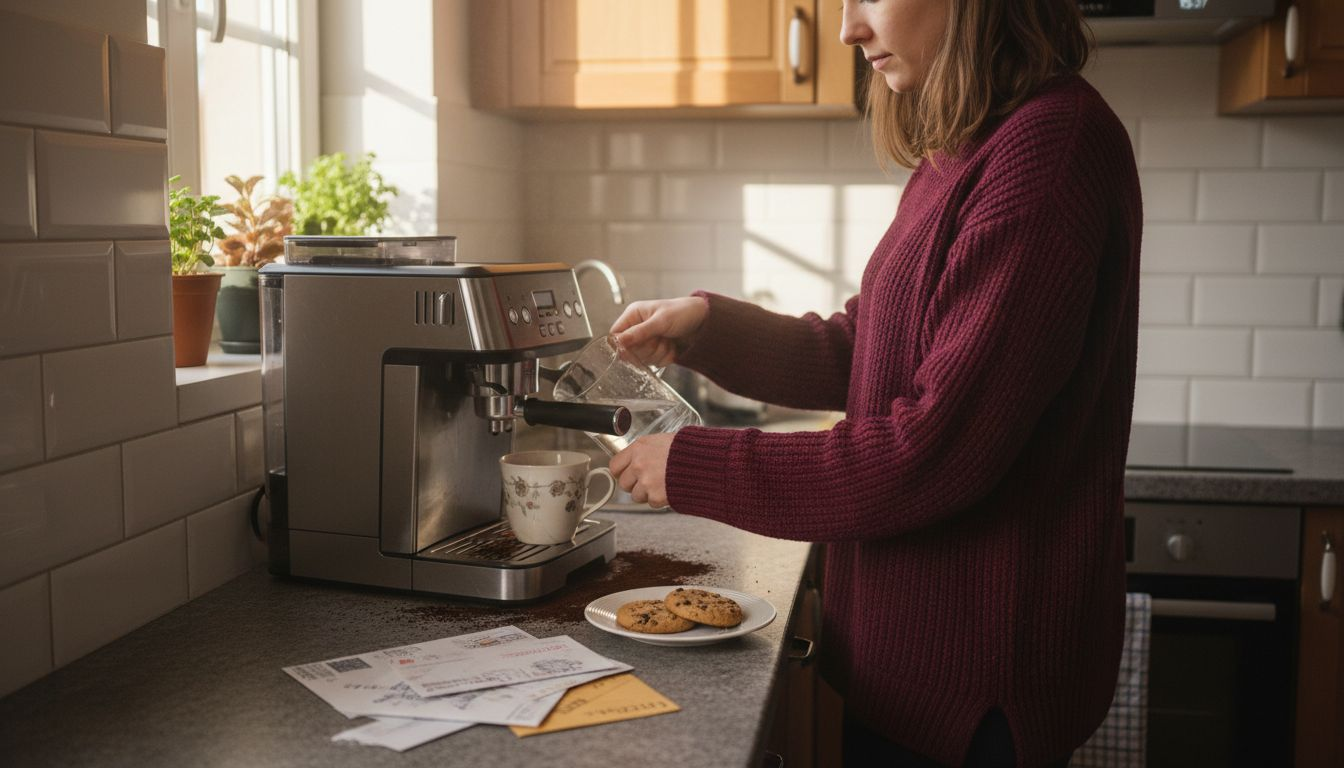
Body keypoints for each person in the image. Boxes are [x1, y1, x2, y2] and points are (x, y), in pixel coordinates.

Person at [606, 0, 1141, 766]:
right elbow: (874, 348)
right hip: (914, 672)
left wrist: (693, 463)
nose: (849, 29)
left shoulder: (1049, 152)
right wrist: (706, 325)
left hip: (976, 692)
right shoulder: (967, 145)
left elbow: (930, 452)